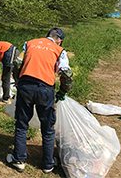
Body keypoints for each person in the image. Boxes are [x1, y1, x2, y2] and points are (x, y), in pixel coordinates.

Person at [6, 27, 74, 173]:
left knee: (22, 124)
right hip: (45, 90)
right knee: (48, 128)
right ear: (59, 40)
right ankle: (48, 164)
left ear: (47, 35)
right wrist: (62, 91)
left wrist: (19, 81)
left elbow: (17, 63)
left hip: (26, 87)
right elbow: (67, 74)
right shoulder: (59, 50)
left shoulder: (29, 43)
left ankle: (18, 160)